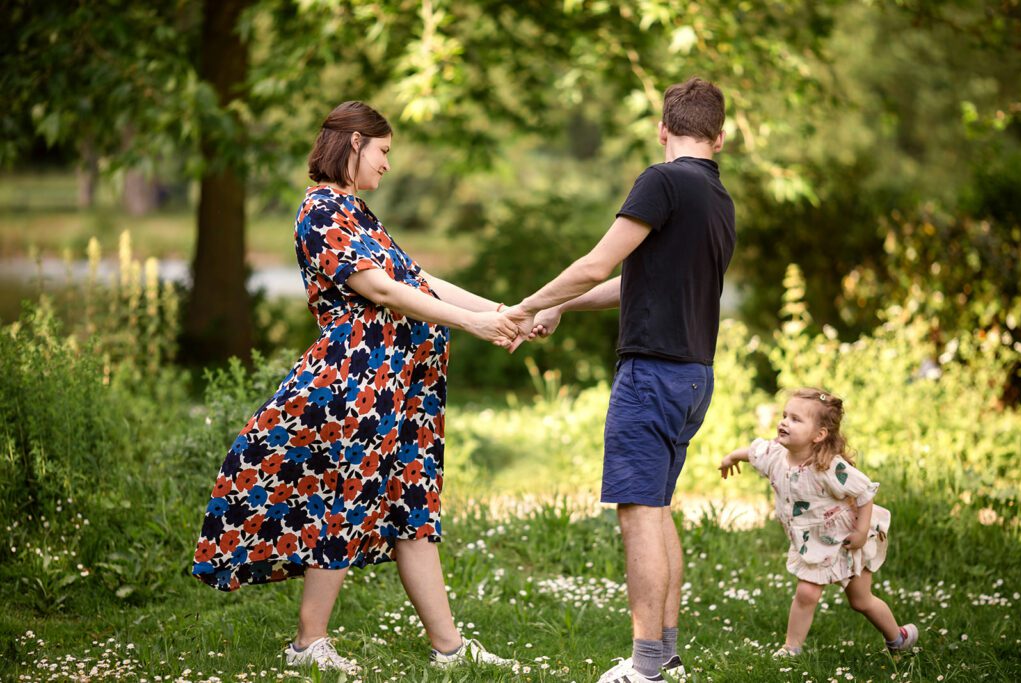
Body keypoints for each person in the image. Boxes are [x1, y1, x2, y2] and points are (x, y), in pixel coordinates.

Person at [190, 101, 516, 673]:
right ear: (357, 142)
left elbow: (419, 281)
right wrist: (474, 324)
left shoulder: (358, 212)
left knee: (414, 508)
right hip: (357, 387)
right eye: (385, 151)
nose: (388, 165)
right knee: (345, 502)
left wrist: (502, 312)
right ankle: (306, 645)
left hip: (404, 391)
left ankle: (450, 652)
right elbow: (383, 292)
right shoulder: (320, 211)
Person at [508, 77, 736, 683]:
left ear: (663, 129)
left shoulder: (662, 181)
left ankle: (645, 667)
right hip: (692, 378)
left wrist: (525, 305)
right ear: (721, 135)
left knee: (639, 515)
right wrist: (563, 306)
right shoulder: (717, 200)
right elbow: (636, 282)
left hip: (651, 375)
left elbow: (596, 263)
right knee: (657, 512)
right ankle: (668, 654)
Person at [718, 388, 918, 657]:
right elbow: (752, 452)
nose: (784, 422)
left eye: (796, 419)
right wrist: (731, 457)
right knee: (807, 594)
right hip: (814, 543)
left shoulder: (828, 467)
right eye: (785, 415)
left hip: (847, 539)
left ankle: (899, 638)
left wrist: (860, 532)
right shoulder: (775, 455)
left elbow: (865, 492)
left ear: (819, 434)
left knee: (861, 601)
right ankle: (791, 648)